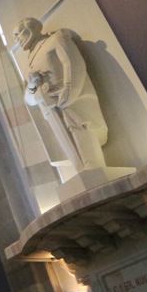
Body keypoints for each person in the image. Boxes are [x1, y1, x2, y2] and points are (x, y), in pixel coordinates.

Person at [13, 16, 109, 175]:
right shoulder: (30, 62)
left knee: (82, 130)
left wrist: (68, 93)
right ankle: (84, 173)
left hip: (72, 98)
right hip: (50, 106)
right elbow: (29, 100)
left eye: (18, 34)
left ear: (29, 30)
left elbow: (73, 64)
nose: (17, 40)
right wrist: (32, 84)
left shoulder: (56, 39)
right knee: (68, 144)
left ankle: (94, 170)